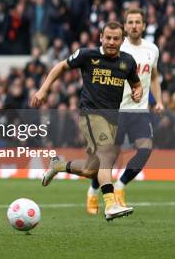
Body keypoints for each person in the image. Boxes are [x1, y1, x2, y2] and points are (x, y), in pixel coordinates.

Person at [30, 21, 142, 221]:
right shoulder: (87, 55)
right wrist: (44, 88)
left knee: (92, 170)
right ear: (101, 37)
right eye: (108, 37)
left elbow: (136, 82)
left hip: (113, 120)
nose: (111, 42)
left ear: (122, 40)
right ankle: (110, 204)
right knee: (107, 152)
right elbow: (61, 67)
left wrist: (138, 91)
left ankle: (57, 166)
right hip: (91, 114)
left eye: (116, 38)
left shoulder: (128, 61)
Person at [86, 9, 163, 214]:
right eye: (130, 22)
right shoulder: (117, 47)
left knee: (145, 149)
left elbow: (154, 76)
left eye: (138, 22)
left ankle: (119, 187)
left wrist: (159, 101)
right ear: (125, 25)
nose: (134, 26)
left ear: (144, 25)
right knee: (109, 157)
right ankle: (92, 192)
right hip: (116, 110)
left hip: (139, 111)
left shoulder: (152, 49)